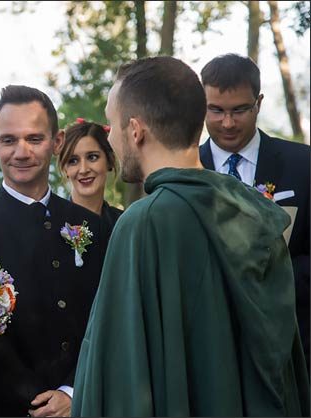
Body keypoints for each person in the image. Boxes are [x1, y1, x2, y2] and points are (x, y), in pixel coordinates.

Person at [72, 56, 310, 416]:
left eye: (112, 124)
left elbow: (119, 377)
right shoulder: (256, 213)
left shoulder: (143, 223)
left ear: (135, 130)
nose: (112, 138)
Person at [0, 85, 107, 417]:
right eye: (9, 140)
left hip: (82, 404)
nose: (21, 152)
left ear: (57, 141)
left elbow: (104, 315)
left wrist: (73, 391)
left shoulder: (91, 226)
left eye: (34, 139)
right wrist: (39, 401)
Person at [198, 53, 310, 369]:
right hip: (210, 354)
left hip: (293, 350)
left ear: (258, 103)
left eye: (239, 110)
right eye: (216, 110)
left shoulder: (303, 165)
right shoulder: (185, 170)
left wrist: (272, 275)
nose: (228, 123)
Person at [58, 119, 123, 248]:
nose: (83, 169)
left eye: (92, 157)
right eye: (73, 160)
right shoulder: (52, 224)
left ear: (110, 160)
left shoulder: (124, 224)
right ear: (65, 169)